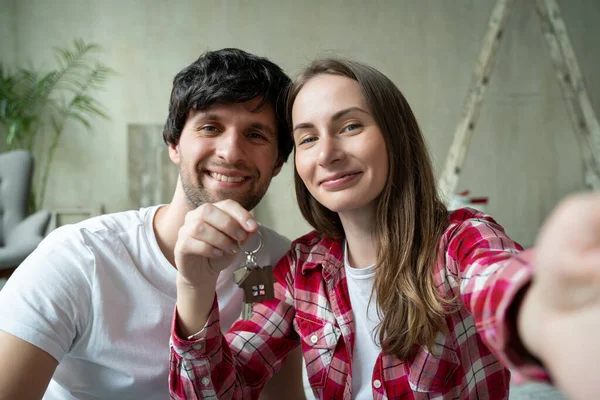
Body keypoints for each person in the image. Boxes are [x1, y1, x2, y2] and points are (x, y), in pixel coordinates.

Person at [168, 57, 600, 400]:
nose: (328, 154)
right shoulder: (299, 270)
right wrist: (194, 285)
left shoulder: (461, 240)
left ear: (395, 136)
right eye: (308, 138)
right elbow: (214, 392)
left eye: (350, 126)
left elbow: (500, 284)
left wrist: (549, 317)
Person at [0, 48, 306, 400]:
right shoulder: (77, 257)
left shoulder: (279, 260)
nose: (231, 152)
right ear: (174, 144)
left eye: (256, 135)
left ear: (279, 161)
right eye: (210, 127)